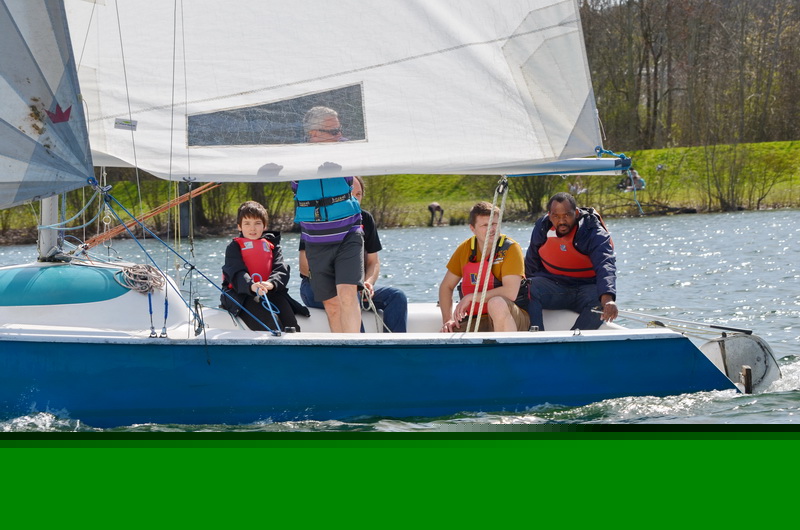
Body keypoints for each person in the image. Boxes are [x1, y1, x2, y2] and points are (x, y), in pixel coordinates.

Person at [299, 176, 408, 332]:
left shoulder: (366, 219)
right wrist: (344, 285)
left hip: (354, 284)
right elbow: (304, 267)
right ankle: (359, 346)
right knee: (348, 295)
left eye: (359, 194)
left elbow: (373, 262)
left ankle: (394, 347)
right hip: (313, 288)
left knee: (396, 296)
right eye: (351, 194)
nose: (355, 199)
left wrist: (367, 283)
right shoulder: (317, 221)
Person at [291, 106, 363, 333]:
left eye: (339, 129)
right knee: (332, 305)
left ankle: (355, 348)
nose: (339, 135)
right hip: (315, 240)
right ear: (313, 133)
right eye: (333, 132)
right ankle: (342, 349)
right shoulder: (293, 157)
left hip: (349, 234)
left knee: (347, 294)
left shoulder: (347, 149)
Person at [520, 192, 618, 331]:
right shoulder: (542, 227)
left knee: (599, 301)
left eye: (567, 215)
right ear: (549, 215)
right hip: (554, 287)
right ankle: (537, 337)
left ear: (576, 213)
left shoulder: (593, 232)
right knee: (526, 288)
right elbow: (531, 263)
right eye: (556, 216)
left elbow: (605, 264)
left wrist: (608, 299)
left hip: (586, 289)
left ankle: (574, 340)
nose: (561, 221)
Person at [438, 201, 530, 333]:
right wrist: (447, 320)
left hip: (513, 316)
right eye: (485, 225)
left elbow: (510, 292)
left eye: (494, 224)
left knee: (496, 304)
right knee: (448, 333)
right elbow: (446, 286)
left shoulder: (511, 248)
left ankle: (506, 346)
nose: (492, 229)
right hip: (476, 318)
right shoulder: (464, 249)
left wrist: (471, 297)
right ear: (472, 228)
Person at [221, 201, 301, 332]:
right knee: (271, 323)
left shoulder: (273, 246)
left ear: (264, 226)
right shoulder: (233, 247)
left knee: (291, 325)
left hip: (270, 291)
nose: (252, 228)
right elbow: (236, 271)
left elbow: (281, 269)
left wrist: (272, 284)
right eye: (247, 223)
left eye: (257, 223)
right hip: (243, 295)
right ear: (239, 227)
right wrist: (251, 285)